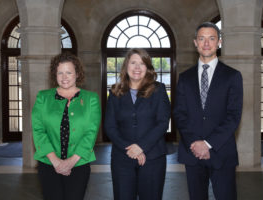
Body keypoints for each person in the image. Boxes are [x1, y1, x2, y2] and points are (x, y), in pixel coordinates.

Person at [173, 22, 243, 200]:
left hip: (221, 152)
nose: (206, 43)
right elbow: (180, 114)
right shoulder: (185, 78)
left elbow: (233, 116)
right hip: (192, 152)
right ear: (195, 43)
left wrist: (208, 143)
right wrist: (196, 143)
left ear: (219, 42)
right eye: (201, 38)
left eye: (211, 38)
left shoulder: (232, 76)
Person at [31, 52, 101, 200]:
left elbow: (91, 132)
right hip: (48, 163)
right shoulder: (43, 97)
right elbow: (38, 131)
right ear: (54, 75)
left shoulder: (91, 99)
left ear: (77, 74)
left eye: (69, 72)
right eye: (60, 73)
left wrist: (71, 162)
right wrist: (55, 161)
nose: (64, 77)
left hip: (79, 163)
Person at [104, 48, 171, 200]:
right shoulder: (115, 92)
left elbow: (162, 123)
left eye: (142, 63)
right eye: (133, 63)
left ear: (147, 68)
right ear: (126, 66)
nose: (137, 68)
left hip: (153, 157)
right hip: (122, 158)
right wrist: (129, 148)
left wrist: (141, 147)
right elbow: (110, 127)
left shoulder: (158, 89)